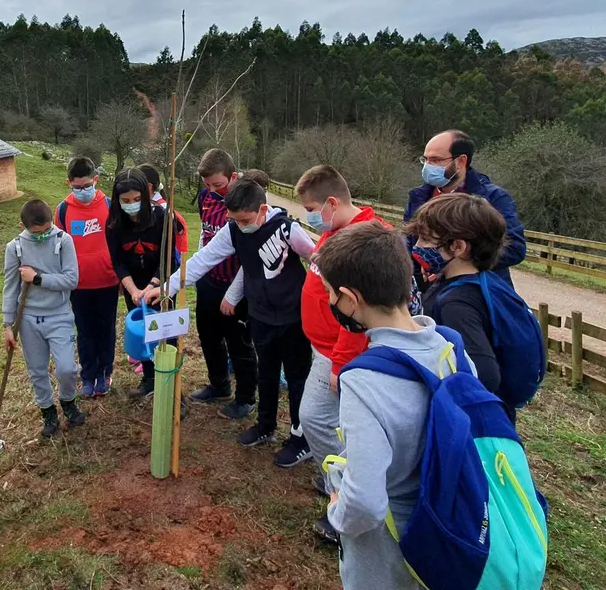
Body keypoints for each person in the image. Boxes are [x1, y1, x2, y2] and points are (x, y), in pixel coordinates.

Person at [314, 221, 476, 590]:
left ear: (350, 299)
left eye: (330, 294)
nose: (330, 303)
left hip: (392, 556)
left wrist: (337, 510)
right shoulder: (454, 350)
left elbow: (366, 503)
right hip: (453, 528)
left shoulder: (363, 381)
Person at [145, 179, 314, 467]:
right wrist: (167, 288)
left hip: (294, 317)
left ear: (262, 210)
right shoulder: (234, 230)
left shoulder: (288, 230)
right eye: (233, 219)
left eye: (245, 219)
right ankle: (266, 425)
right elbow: (203, 260)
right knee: (267, 372)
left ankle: (301, 439)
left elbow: (316, 259)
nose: (239, 225)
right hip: (260, 316)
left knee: (298, 377)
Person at [294, 165, 391, 541]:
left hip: (340, 351)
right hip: (324, 346)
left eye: (313, 209)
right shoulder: (336, 231)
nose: (311, 217)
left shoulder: (363, 239)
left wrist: (342, 361)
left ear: (332, 202)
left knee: (316, 417)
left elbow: (360, 313)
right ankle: (338, 480)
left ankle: (349, 499)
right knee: (332, 421)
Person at [407, 193, 511, 414]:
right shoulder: (480, 281)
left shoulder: (456, 303)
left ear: (458, 247)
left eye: (425, 239)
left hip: (466, 420)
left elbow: (485, 374)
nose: (417, 246)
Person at [2, 199, 86, 438]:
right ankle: (48, 411)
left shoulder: (63, 241)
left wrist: (38, 278)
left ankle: (68, 401)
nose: (43, 236)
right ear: (23, 225)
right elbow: (10, 286)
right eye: (37, 233)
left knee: (67, 368)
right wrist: (8, 324)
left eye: (47, 230)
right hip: (28, 319)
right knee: (37, 370)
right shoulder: (15, 247)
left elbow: (71, 279)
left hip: (59, 315)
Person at [185, 149, 257, 420]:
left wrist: (234, 293)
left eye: (219, 185)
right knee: (208, 335)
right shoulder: (205, 197)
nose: (213, 191)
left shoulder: (246, 204)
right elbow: (205, 236)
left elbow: (249, 257)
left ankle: (246, 398)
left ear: (234, 177)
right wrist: (199, 274)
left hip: (238, 285)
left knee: (239, 343)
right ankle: (219, 385)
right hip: (209, 281)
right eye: (207, 185)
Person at [405, 130, 525, 286]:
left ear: (461, 161)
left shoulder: (494, 198)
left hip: (476, 290)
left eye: (436, 160)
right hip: (428, 292)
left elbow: (515, 248)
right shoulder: (419, 197)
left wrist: (453, 265)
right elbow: (409, 244)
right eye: (426, 160)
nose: (428, 166)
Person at [107, 169, 181, 398]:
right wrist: (133, 291)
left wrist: (153, 286)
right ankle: (149, 379)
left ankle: (170, 383)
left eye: (137, 200)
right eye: (126, 201)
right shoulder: (113, 224)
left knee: (166, 333)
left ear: (146, 196)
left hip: (162, 284)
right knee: (144, 333)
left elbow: (168, 258)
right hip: (135, 287)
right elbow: (118, 262)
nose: (132, 205)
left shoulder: (162, 217)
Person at [54, 157, 120, 398]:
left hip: (108, 282)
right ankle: (88, 376)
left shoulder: (110, 206)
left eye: (87, 185)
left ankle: (105, 372)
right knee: (84, 330)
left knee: (106, 328)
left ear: (96, 180)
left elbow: (118, 243)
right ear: (69, 183)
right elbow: (58, 247)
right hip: (78, 285)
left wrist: (122, 277)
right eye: (77, 187)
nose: (83, 191)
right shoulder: (63, 210)